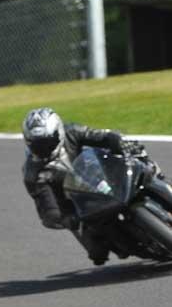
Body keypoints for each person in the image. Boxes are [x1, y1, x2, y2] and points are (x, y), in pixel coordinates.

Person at [21, 107, 166, 265]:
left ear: (59, 132)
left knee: (145, 169)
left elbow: (102, 136)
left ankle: (164, 188)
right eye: (37, 144)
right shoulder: (33, 173)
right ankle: (135, 245)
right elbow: (46, 206)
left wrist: (119, 142)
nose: (43, 148)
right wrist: (62, 219)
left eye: (47, 141)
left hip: (105, 174)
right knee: (97, 253)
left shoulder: (72, 133)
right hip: (79, 204)